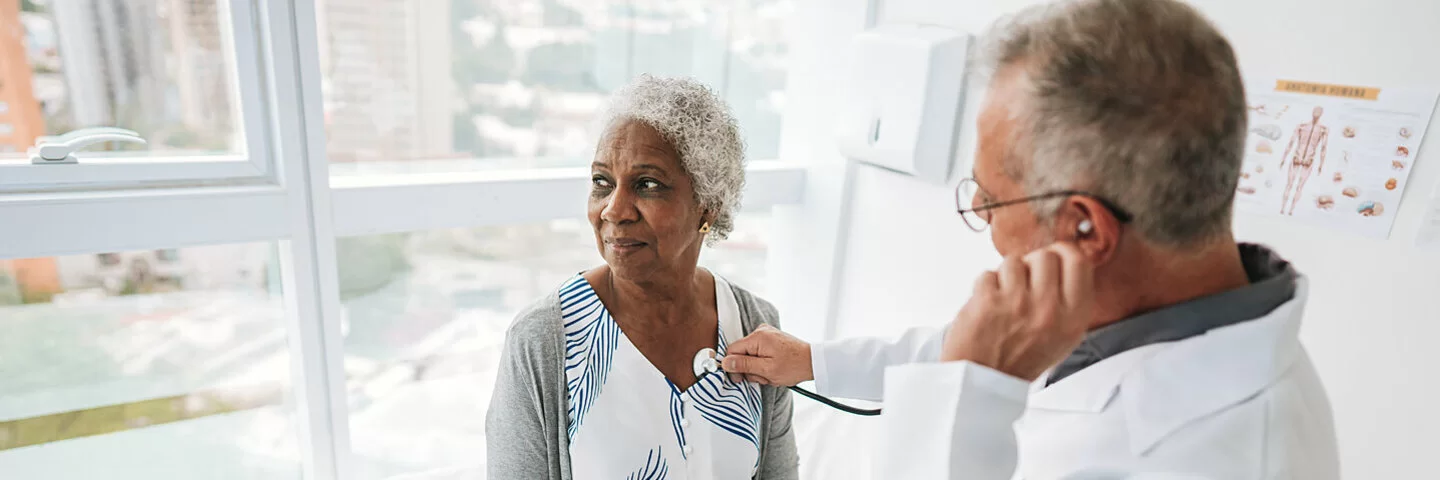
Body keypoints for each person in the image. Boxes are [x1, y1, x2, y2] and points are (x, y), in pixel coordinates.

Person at [721, 0, 1339, 478]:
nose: (982, 216)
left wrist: (970, 390)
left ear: (1085, 227)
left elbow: (974, 363)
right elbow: (970, 343)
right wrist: (815, 361)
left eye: (988, 199)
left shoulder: (1213, 458)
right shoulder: (1164, 308)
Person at [485, 75, 799, 479]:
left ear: (708, 206)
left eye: (647, 185)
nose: (614, 210)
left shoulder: (755, 326)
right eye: (602, 183)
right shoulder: (544, 340)